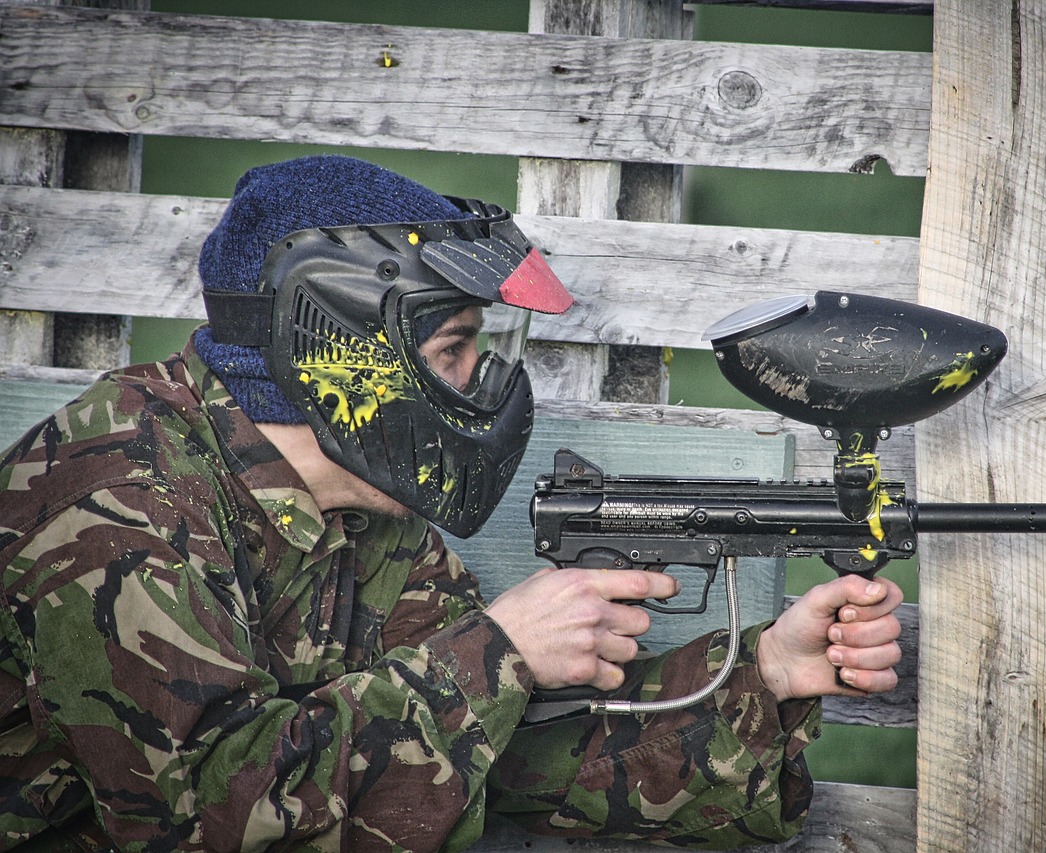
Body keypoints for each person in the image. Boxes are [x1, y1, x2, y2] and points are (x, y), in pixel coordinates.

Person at [0, 155, 902, 851]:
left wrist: (767, 678)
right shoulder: (117, 505)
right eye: (454, 349)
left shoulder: (366, 509)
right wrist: (498, 651)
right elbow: (196, 822)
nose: (483, 387)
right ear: (341, 346)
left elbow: (490, 753)